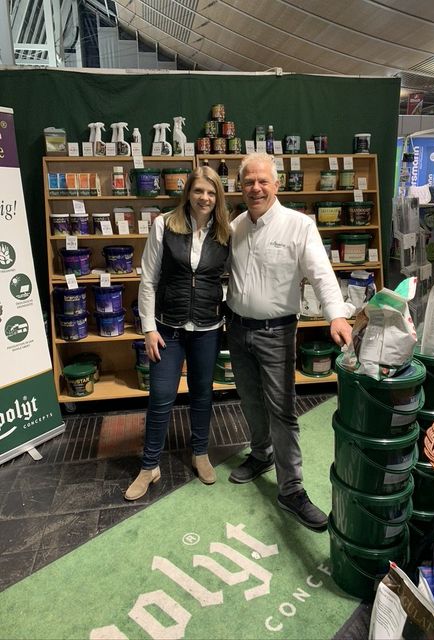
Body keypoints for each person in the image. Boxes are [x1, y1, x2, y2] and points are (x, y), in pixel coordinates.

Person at [226, 152, 352, 531]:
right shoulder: (235, 227)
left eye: (263, 181)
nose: (256, 188)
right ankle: (261, 453)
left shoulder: (299, 226)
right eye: (249, 182)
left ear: (277, 184)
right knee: (249, 399)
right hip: (237, 329)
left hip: (276, 333)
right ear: (240, 187)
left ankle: (291, 489)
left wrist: (336, 315)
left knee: (281, 410)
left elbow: (321, 273)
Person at [125, 166, 230, 500]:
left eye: (211, 193)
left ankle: (200, 453)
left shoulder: (225, 231)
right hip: (167, 329)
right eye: (199, 191)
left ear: (218, 197)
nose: (204, 198)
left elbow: (231, 277)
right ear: (188, 193)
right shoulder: (164, 225)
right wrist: (148, 328)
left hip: (207, 329)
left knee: (202, 394)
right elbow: (148, 280)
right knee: (160, 396)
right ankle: (149, 466)